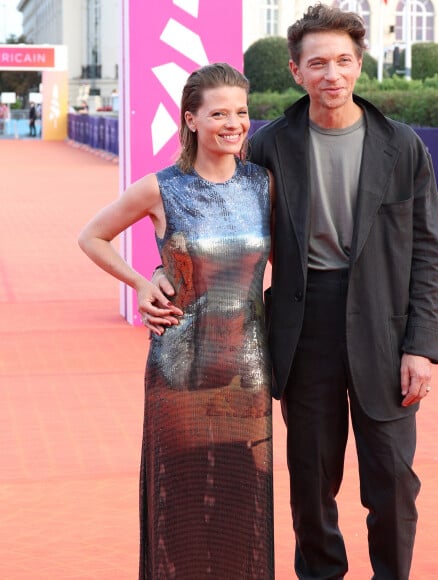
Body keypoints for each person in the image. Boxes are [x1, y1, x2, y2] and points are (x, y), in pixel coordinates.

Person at [149, 5, 438, 579]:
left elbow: (430, 255)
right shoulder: (269, 148)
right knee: (310, 480)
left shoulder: (402, 146)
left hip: (385, 329)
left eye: (342, 60)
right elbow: (210, 208)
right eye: (317, 63)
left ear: (359, 65)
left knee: (392, 480)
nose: (331, 74)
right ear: (295, 71)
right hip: (301, 325)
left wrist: (421, 346)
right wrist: (164, 268)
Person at [78, 63, 275, 579]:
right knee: (181, 506)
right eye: (219, 113)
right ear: (191, 119)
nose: (233, 123)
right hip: (179, 369)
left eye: (241, 112)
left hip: (248, 371)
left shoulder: (262, 185)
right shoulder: (162, 188)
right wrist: (142, 284)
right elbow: (92, 236)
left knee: (242, 504)